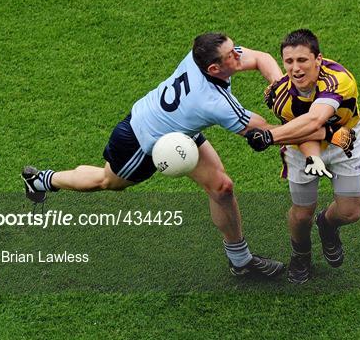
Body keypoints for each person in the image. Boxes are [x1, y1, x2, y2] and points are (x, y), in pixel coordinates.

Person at [22, 32, 299, 278]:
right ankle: (43, 181)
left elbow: (261, 58)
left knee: (222, 187)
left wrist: (285, 90)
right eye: (231, 56)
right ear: (215, 68)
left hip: (178, 130)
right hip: (140, 140)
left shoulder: (201, 57)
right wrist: (315, 127)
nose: (238, 56)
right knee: (106, 181)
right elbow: (264, 132)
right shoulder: (214, 103)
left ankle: (241, 262)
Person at [245, 29, 360, 284]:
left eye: (302, 60)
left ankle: (327, 224)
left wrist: (269, 137)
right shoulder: (282, 98)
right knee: (301, 213)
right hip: (302, 147)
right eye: (289, 61)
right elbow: (306, 133)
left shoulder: (338, 80)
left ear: (318, 60)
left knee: (350, 212)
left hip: (346, 139)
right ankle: (301, 254)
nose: (296, 68)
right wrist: (312, 157)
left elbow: (315, 120)